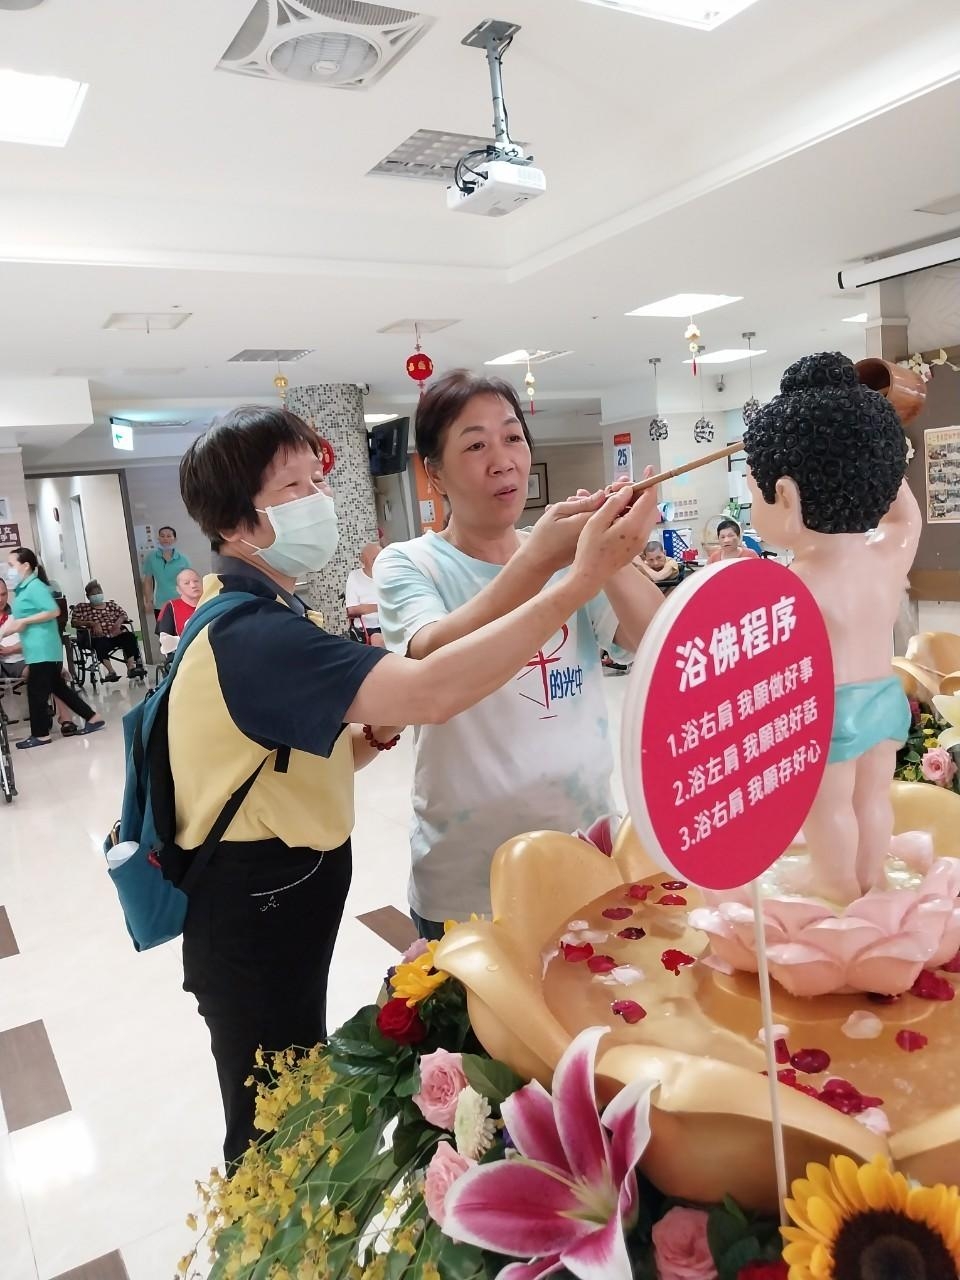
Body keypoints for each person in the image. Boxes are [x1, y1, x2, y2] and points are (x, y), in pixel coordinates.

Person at [172, 403, 654, 1165]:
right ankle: (267, 1229)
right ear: (239, 525)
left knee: (290, 1072)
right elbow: (429, 686)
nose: (320, 501)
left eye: (316, 479)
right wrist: (573, 578)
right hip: (255, 901)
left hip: (281, 889)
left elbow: (284, 757)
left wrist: (362, 738)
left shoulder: (263, 608)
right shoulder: (256, 631)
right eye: (294, 489)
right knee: (272, 1108)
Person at [374, 370, 664, 940]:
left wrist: (609, 552)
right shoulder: (410, 564)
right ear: (433, 473)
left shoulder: (563, 553)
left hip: (586, 849)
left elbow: (656, 639)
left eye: (512, 438)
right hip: (468, 876)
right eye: (476, 444)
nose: (502, 460)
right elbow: (430, 657)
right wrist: (552, 566)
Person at [745, 351, 920, 902]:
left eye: (755, 492)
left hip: (831, 711)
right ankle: (872, 881)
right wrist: (880, 455)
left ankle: (838, 889)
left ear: (788, 500)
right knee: (874, 800)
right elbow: (905, 515)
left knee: (828, 810)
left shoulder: (794, 582)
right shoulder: (888, 554)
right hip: (886, 697)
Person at [0, 549, 105, 749]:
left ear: (26, 566)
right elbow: (21, 621)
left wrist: (24, 621)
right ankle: (94, 718)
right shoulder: (23, 589)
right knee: (58, 688)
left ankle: (40, 735)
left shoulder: (35, 587)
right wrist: (9, 629)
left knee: (36, 691)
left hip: (43, 648)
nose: (9, 570)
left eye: (12, 565)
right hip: (36, 648)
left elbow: (53, 611)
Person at [70, 581, 146, 681]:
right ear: (88, 596)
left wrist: (118, 623)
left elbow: (123, 615)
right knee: (100, 643)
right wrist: (92, 624)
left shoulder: (111, 605)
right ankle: (111, 672)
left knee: (129, 637)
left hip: (116, 635)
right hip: (98, 637)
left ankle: (131, 667)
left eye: (98, 592)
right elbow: (74, 622)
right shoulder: (82, 607)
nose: (97, 595)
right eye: (93, 594)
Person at [142, 525, 191, 619]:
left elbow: (189, 582)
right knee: (164, 632)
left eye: (169, 536)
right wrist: (148, 601)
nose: (165, 539)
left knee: (182, 631)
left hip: (181, 601)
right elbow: (148, 580)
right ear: (158, 538)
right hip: (160, 603)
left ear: (175, 539)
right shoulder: (151, 557)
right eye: (162, 536)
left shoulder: (183, 559)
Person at [344, 542, 384, 646]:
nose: (379, 562)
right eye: (375, 559)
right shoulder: (354, 577)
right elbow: (352, 610)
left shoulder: (387, 575)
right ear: (364, 560)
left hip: (390, 624)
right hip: (369, 628)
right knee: (377, 639)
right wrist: (380, 606)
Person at [156, 567, 203, 654]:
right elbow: (165, 642)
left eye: (196, 581)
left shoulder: (212, 603)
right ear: (178, 589)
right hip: (185, 658)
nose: (193, 585)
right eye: (187, 583)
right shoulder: (171, 607)